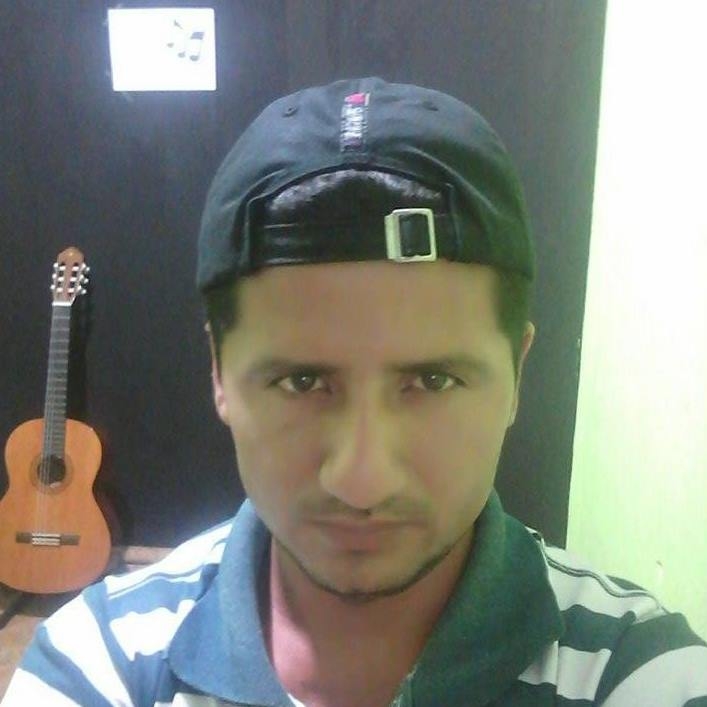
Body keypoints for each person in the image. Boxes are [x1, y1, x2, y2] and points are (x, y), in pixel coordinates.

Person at [3, 76, 706, 707]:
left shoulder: (638, 671)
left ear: (517, 376)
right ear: (219, 373)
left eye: (433, 380)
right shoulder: (98, 666)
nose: (361, 478)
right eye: (302, 381)